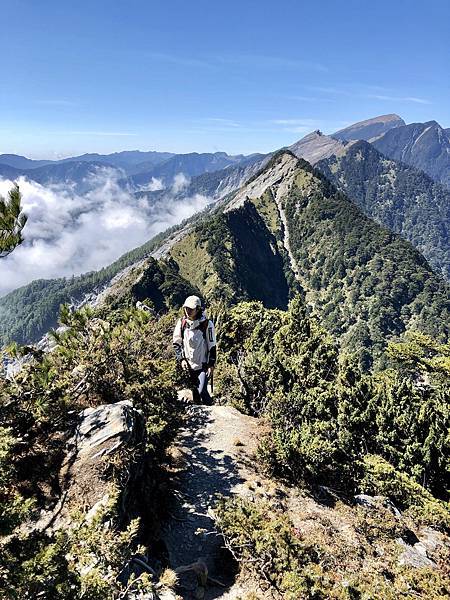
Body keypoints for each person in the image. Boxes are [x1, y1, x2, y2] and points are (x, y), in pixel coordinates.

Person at [173, 295, 216, 404]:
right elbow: (177, 343)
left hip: (203, 365)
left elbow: (212, 345)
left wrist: (211, 364)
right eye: (186, 308)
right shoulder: (182, 323)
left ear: (198, 309)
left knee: (202, 391)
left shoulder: (206, 324)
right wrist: (181, 359)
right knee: (195, 392)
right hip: (188, 365)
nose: (188, 311)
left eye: (191, 309)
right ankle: (201, 414)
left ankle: (211, 408)